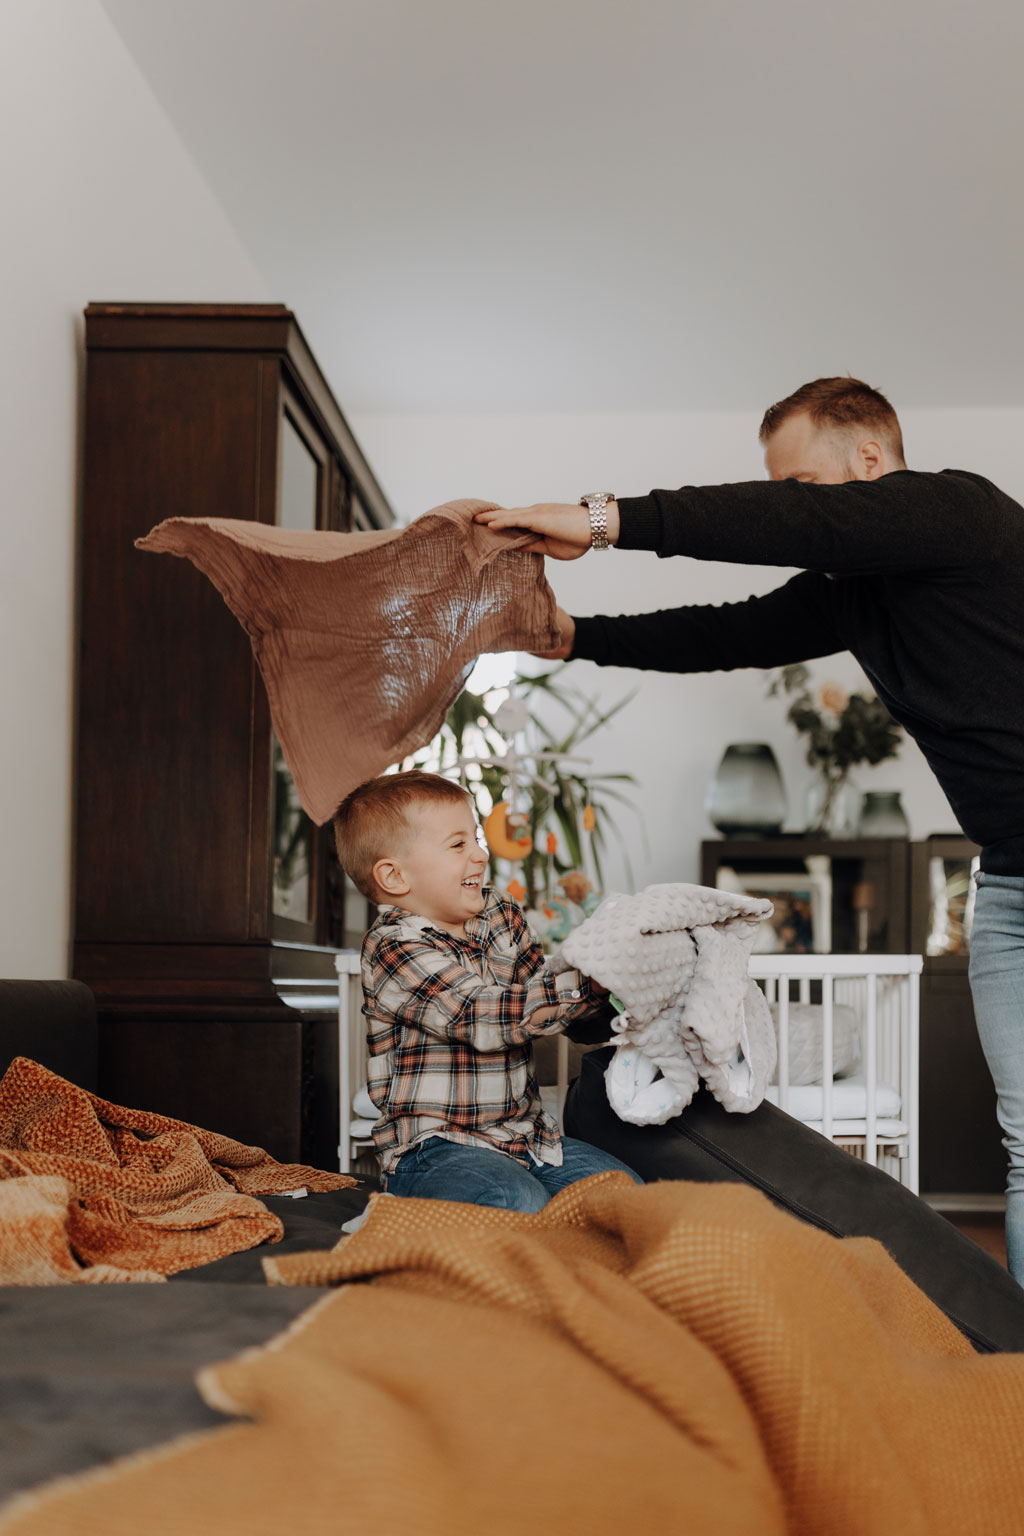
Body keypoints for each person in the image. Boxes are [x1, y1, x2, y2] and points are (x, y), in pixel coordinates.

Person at [473, 376, 1024, 1283]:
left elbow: (803, 528)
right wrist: (574, 637)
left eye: (800, 487)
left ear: (873, 460)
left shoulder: (962, 513)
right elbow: (722, 633)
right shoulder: (852, 595)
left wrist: (601, 519)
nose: (789, 511)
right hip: (1006, 881)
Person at [332, 769, 643, 1211]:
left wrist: (609, 991)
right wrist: (579, 983)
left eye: (476, 838)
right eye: (458, 844)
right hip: (433, 1148)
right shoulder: (392, 947)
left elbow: (547, 1002)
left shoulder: (502, 914)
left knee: (626, 1197)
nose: (480, 855)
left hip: (527, 1139)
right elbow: (479, 1015)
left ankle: (582, 1265)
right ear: (395, 877)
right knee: (513, 1198)